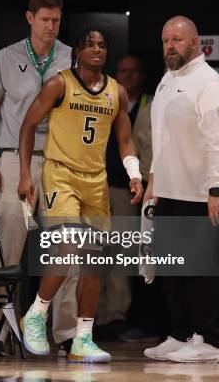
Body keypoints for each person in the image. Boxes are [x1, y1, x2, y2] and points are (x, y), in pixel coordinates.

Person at [17, 28, 143, 362]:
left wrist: (134, 173)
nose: (98, 50)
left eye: (103, 46)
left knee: (93, 262)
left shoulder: (117, 92)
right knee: (70, 243)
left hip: (96, 180)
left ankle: (82, 339)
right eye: (91, 45)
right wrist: (26, 174)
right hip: (60, 174)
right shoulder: (59, 84)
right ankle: (36, 313)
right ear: (78, 50)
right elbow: (28, 126)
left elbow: (125, 139)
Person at [0, 0, 77, 347]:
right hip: (10, 159)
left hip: (60, 162)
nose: (51, 26)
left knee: (67, 246)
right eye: (45, 19)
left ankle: (66, 333)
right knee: (5, 248)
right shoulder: (5, 58)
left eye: (56, 20)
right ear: (29, 18)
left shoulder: (71, 58)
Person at [142, 16, 219, 363]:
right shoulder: (167, 80)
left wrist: (216, 189)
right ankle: (180, 334)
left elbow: (218, 142)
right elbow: (162, 141)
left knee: (199, 268)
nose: (170, 46)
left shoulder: (209, 83)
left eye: (177, 40)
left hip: (200, 195)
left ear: (195, 43)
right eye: (165, 40)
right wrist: (154, 181)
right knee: (173, 268)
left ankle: (207, 338)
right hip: (169, 191)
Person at [95, 55, 154, 339]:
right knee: (95, 254)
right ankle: (94, 316)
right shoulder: (106, 99)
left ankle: (115, 317)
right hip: (97, 187)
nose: (128, 76)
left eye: (133, 71)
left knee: (122, 255)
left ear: (142, 75)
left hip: (126, 189)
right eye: (123, 71)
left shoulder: (150, 104)